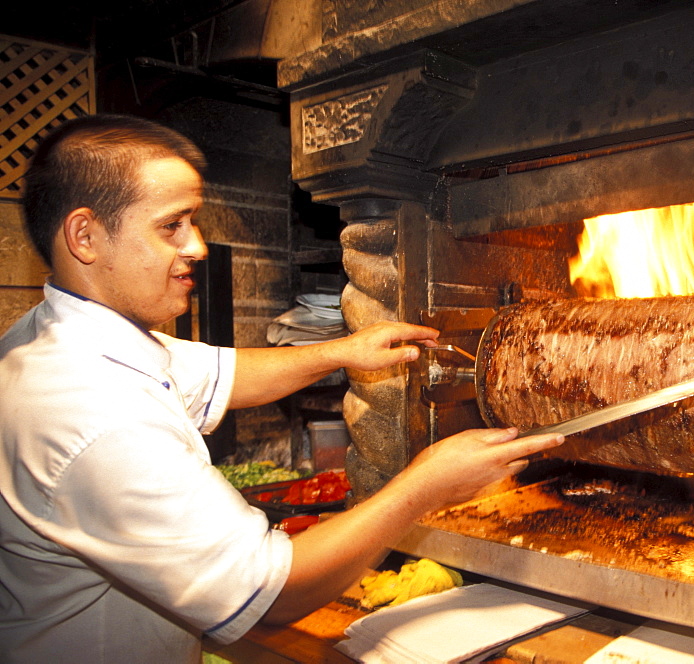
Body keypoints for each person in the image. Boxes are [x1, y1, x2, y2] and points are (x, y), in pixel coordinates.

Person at [0, 114, 564, 663]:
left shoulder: (55, 339)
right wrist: (426, 485)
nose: (197, 246)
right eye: (172, 225)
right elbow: (272, 592)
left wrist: (342, 352)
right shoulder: (95, 412)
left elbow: (222, 372)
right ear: (85, 236)